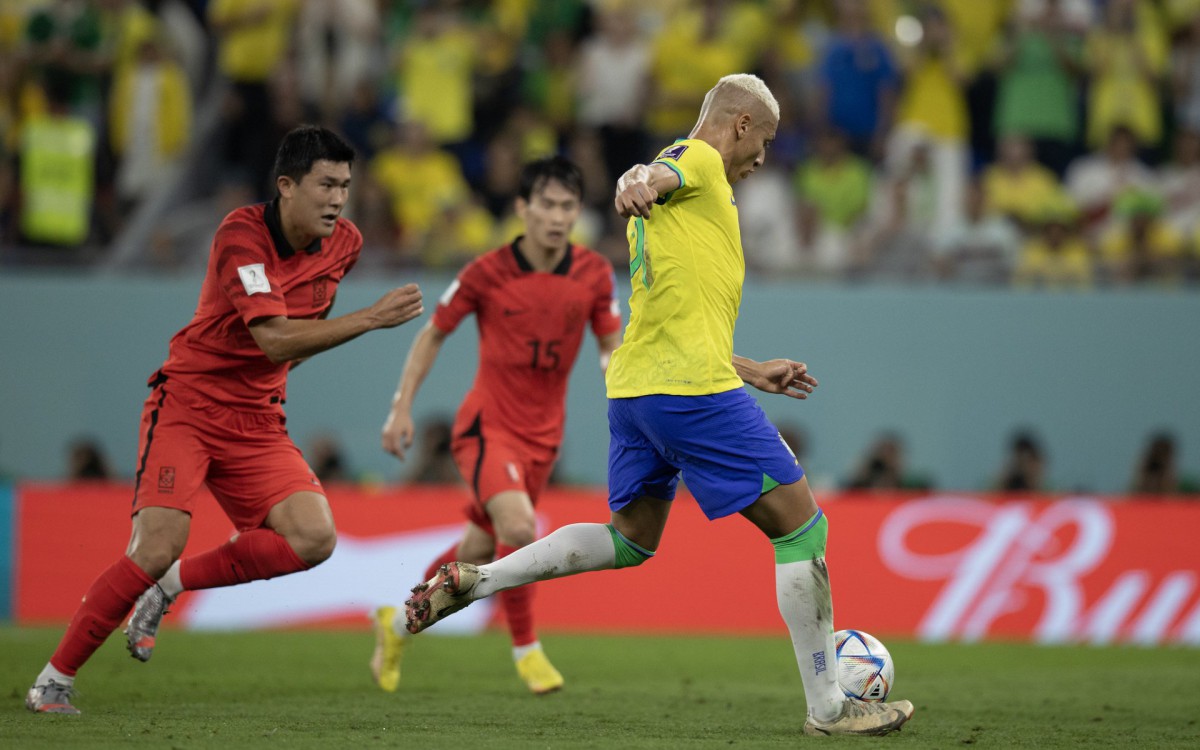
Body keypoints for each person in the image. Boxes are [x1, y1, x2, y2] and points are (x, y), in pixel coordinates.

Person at [401, 74, 914, 737]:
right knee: (801, 527)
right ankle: (829, 709)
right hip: (689, 391)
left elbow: (677, 309)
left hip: (637, 390)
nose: (764, 158)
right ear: (740, 125)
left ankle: (480, 577)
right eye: (765, 140)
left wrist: (752, 369)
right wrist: (632, 181)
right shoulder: (697, 161)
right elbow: (654, 172)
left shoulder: (693, 198)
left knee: (631, 538)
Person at [25, 125, 425, 715]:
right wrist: (370, 319)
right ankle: (52, 681)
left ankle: (170, 588)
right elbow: (274, 339)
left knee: (314, 538)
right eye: (325, 185)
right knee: (157, 544)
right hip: (189, 404)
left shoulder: (346, 243)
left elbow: (298, 338)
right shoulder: (241, 235)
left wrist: (277, 383)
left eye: (345, 185)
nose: (338, 199)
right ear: (286, 186)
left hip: (257, 419)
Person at [372, 156, 623, 695]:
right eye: (548, 205)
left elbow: (611, 346)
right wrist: (401, 406)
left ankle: (395, 623)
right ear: (522, 208)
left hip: (543, 439)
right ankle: (527, 649)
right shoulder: (486, 272)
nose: (558, 217)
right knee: (518, 530)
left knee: (480, 553)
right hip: (488, 429)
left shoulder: (595, 274)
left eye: (568, 207)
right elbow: (433, 333)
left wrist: (619, 384)